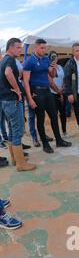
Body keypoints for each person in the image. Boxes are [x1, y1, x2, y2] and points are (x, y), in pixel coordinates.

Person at [23, 39, 71, 153]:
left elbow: (52, 75)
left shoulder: (45, 59)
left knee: (54, 115)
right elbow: (25, 81)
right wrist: (29, 99)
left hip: (47, 91)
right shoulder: (29, 61)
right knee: (40, 118)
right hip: (36, 92)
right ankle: (45, 143)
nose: (44, 50)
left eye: (45, 48)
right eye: (42, 48)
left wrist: (53, 67)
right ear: (36, 48)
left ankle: (59, 140)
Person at [0, 38, 36, 171]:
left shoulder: (4, 60)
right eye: (18, 48)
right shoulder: (9, 60)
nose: (20, 50)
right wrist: (17, 90)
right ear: (10, 47)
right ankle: (21, 164)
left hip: (6, 101)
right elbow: (8, 73)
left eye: (21, 48)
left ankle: (15, 159)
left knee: (11, 131)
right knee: (17, 131)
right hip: (12, 101)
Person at [48, 52, 67, 137]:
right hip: (53, 93)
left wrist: (62, 89)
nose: (54, 58)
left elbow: (64, 78)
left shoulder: (60, 67)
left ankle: (64, 131)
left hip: (62, 92)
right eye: (52, 56)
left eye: (56, 56)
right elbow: (50, 82)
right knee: (54, 114)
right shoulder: (48, 68)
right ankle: (57, 133)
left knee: (63, 113)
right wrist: (58, 91)